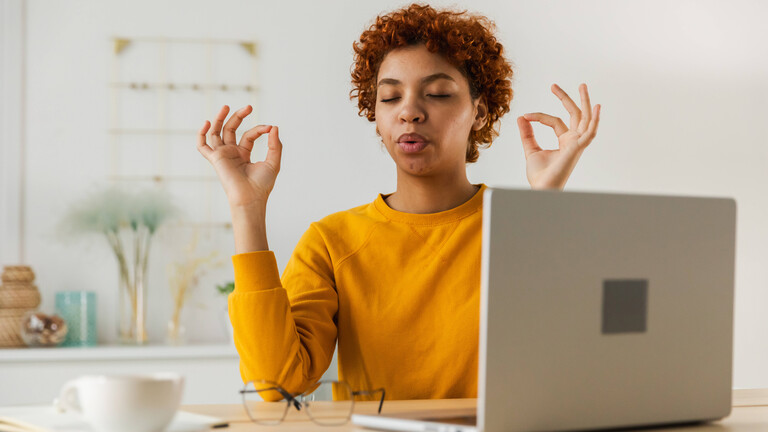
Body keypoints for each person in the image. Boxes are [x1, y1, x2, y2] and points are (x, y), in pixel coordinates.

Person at [196, 3, 600, 401]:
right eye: (390, 98)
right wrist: (247, 209)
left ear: (479, 112)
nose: (409, 112)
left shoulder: (520, 228)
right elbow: (276, 383)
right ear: (375, 114)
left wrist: (546, 206)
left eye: (438, 93)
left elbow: (567, 364)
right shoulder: (331, 242)